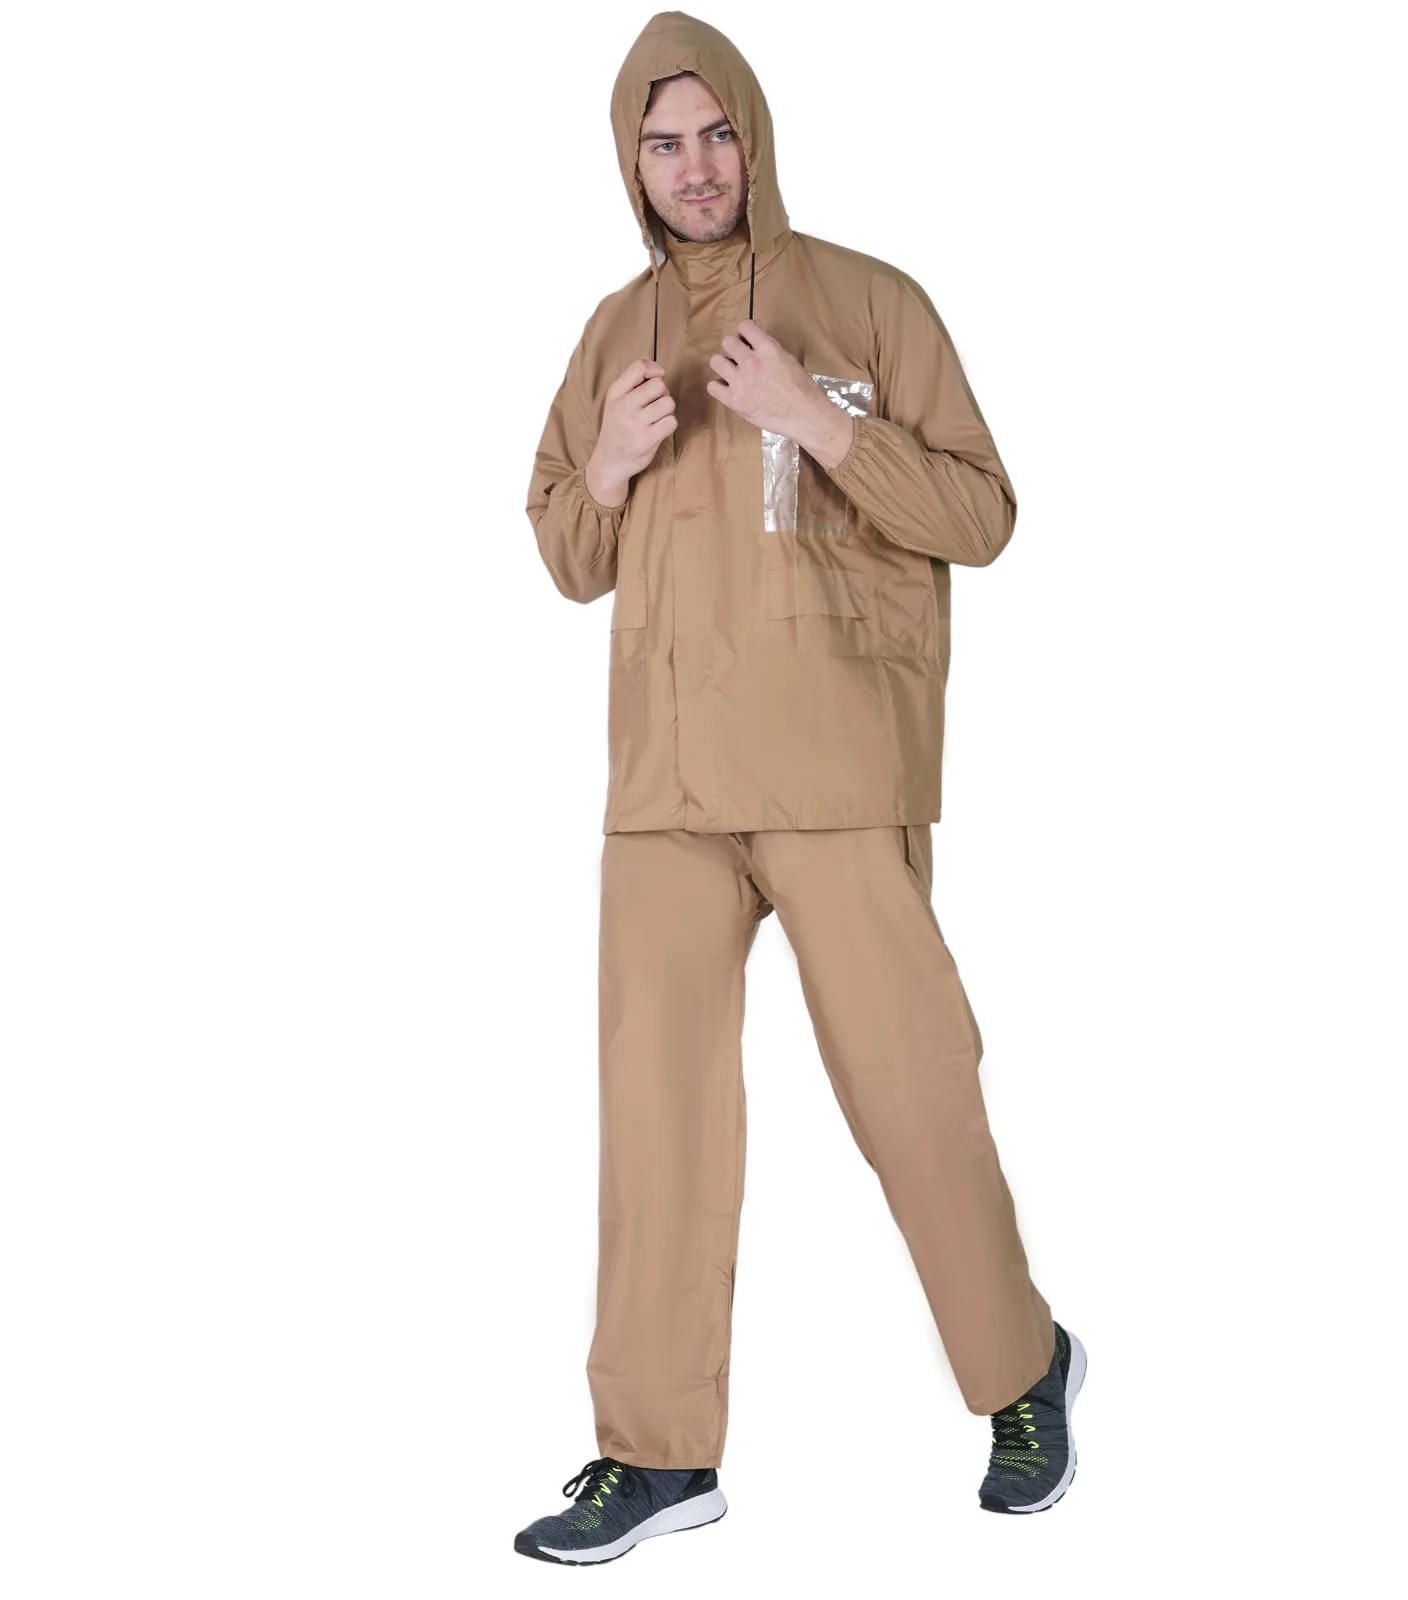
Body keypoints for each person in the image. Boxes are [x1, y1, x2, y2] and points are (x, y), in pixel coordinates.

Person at [515, 10, 1086, 1565]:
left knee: (911, 1092)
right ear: (629, 161)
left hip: (837, 760)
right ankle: (654, 1457)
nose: (693, 166)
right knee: (655, 1123)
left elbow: (983, 515)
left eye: (716, 133)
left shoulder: (871, 301)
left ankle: (1024, 1372)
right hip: (664, 784)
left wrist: (820, 423)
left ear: (753, 137)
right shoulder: (611, 335)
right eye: (661, 142)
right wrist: (609, 468)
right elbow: (564, 550)